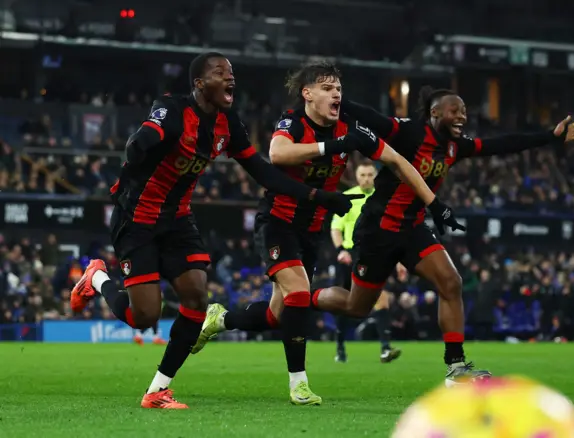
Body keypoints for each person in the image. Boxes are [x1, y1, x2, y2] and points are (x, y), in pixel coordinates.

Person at [68, 52, 361, 409]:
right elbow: (142, 139)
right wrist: (139, 145)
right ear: (200, 84)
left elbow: (263, 172)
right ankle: (97, 279)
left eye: (232, 73)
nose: (230, 78)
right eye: (221, 73)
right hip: (138, 219)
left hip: (178, 219)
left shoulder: (228, 124)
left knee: (196, 297)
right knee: (143, 316)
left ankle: (157, 391)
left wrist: (317, 196)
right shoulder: (173, 111)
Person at [190, 61, 464, 405]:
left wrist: (434, 203)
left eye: (338, 88)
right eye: (327, 88)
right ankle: (298, 384)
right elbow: (277, 153)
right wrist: (333, 147)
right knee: (300, 294)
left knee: (278, 315)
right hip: (278, 221)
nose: (336, 93)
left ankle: (220, 319)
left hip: (312, 229)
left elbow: (397, 161)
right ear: (307, 94)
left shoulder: (350, 127)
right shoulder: (294, 122)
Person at [307, 87, 574, 386]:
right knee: (356, 307)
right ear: (434, 112)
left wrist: (550, 136)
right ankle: (304, 297)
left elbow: (501, 144)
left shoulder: (455, 146)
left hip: (413, 228)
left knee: (450, 282)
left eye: (464, 111)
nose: (462, 116)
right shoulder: (409, 132)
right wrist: (337, 101)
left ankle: (456, 368)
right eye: (455, 110)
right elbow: (371, 117)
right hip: (377, 230)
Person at [330, 162, 400, 363]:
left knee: (382, 297)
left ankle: (386, 348)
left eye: (370, 174)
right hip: (350, 254)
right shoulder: (349, 197)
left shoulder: (384, 197)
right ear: (357, 176)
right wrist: (340, 250)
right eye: (363, 174)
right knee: (345, 303)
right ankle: (340, 347)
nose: (367, 178)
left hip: (375, 253)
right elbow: (336, 228)